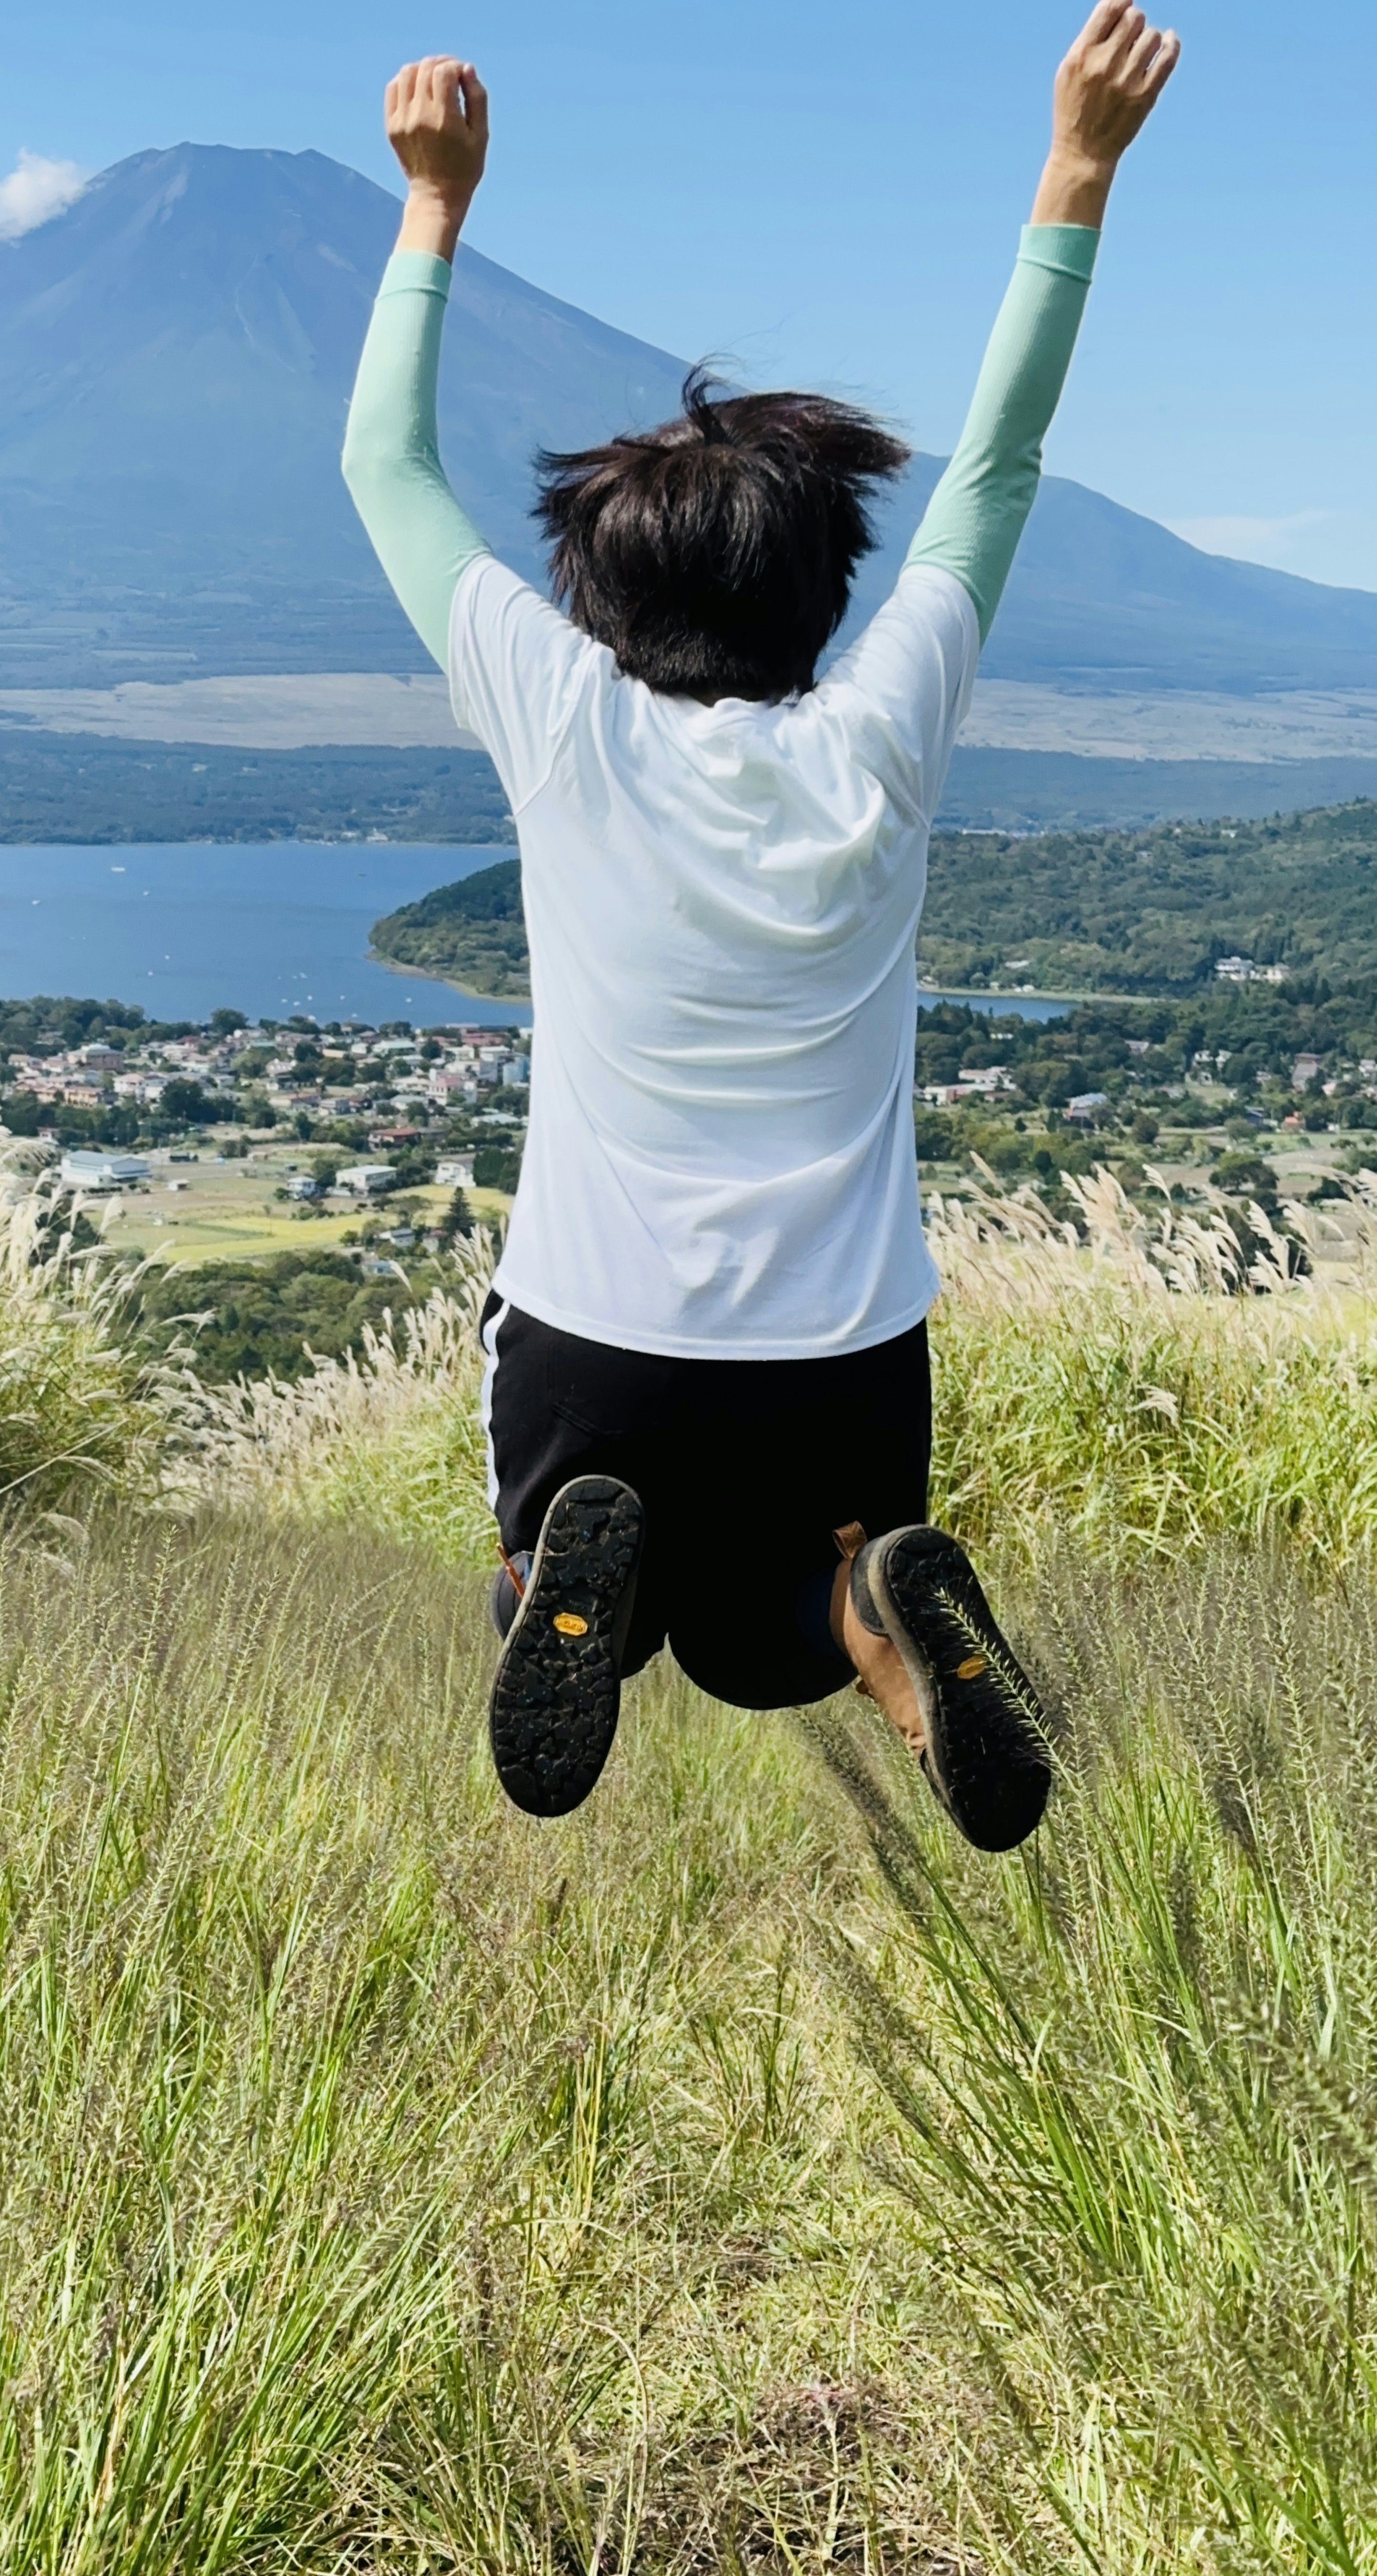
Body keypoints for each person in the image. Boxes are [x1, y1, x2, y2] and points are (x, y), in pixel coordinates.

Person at [342, 5, 1180, 1850]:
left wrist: (433, 206)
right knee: (769, 1647)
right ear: (825, 592)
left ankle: (574, 1585)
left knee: (550, 1588)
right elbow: (1000, 471)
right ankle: (876, 1612)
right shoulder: (880, 741)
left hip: (595, 1328)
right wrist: (1078, 170)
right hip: (844, 1354)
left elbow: (386, 478)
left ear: (600, 595)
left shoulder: (567, 727)